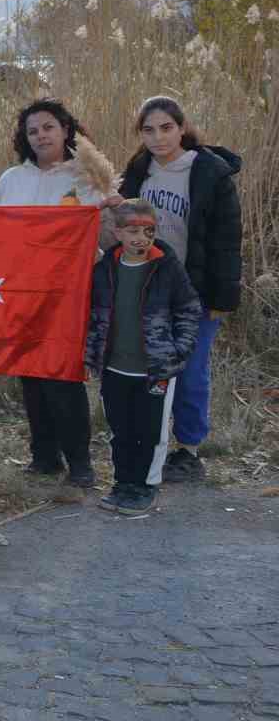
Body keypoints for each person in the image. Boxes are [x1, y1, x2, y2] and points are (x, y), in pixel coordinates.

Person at [0, 98, 120, 488]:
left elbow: (111, 237)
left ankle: (80, 464)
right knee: (30, 374)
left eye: (48, 127)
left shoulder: (87, 179)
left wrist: (112, 209)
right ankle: (44, 456)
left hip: (71, 292)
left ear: (65, 130)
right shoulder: (11, 181)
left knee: (62, 375)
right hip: (23, 291)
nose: (41, 135)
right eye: (32, 130)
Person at [119, 95, 242, 483]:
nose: (158, 138)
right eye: (149, 130)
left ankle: (188, 449)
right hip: (148, 287)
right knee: (149, 370)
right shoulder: (139, 171)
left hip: (194, 291)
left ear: (182, 127)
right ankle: (149, 440)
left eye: (166, 128)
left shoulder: (209, 172)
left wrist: (221, 299)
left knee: (190, 372)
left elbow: (226, 241)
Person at [84, 200, 201, 514]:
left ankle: (145, 486)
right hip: (114, 368)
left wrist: (179, 349)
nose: (141, 238)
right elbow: (91, 315)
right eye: (132, 231)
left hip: (154, 368)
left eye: (148, 231)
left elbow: (189, 309)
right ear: (117, 232)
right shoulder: (104, 270)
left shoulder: (167, 267)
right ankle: (123, 482)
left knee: (150, 431)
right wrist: (90, 353)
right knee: (121, 429)